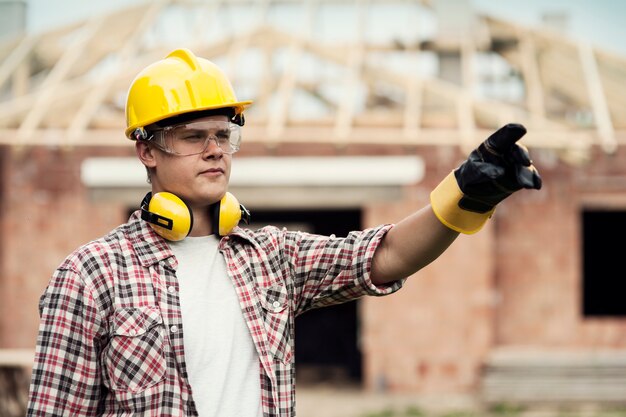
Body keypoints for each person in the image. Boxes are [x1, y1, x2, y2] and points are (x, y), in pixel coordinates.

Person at [27, 48, 542, 416]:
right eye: (193, 137)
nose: (215, 150)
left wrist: (463, 197)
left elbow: (382, 257)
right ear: (147, 151)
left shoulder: (269, 256)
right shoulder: (91, 275)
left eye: (224, 136)